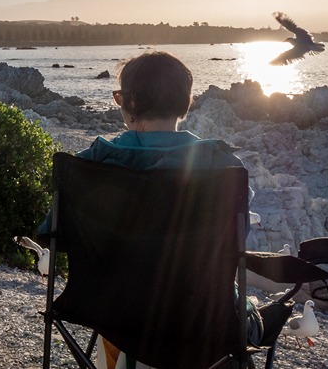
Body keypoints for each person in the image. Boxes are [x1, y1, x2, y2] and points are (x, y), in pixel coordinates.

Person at [42, 51, 250, 369]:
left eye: (119, 97)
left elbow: (53, 234)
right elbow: (235, 241)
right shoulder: (221, 165)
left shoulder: (88, 164)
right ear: (186, 102)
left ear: (132, 103)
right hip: (199, 320)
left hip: (112, 314)